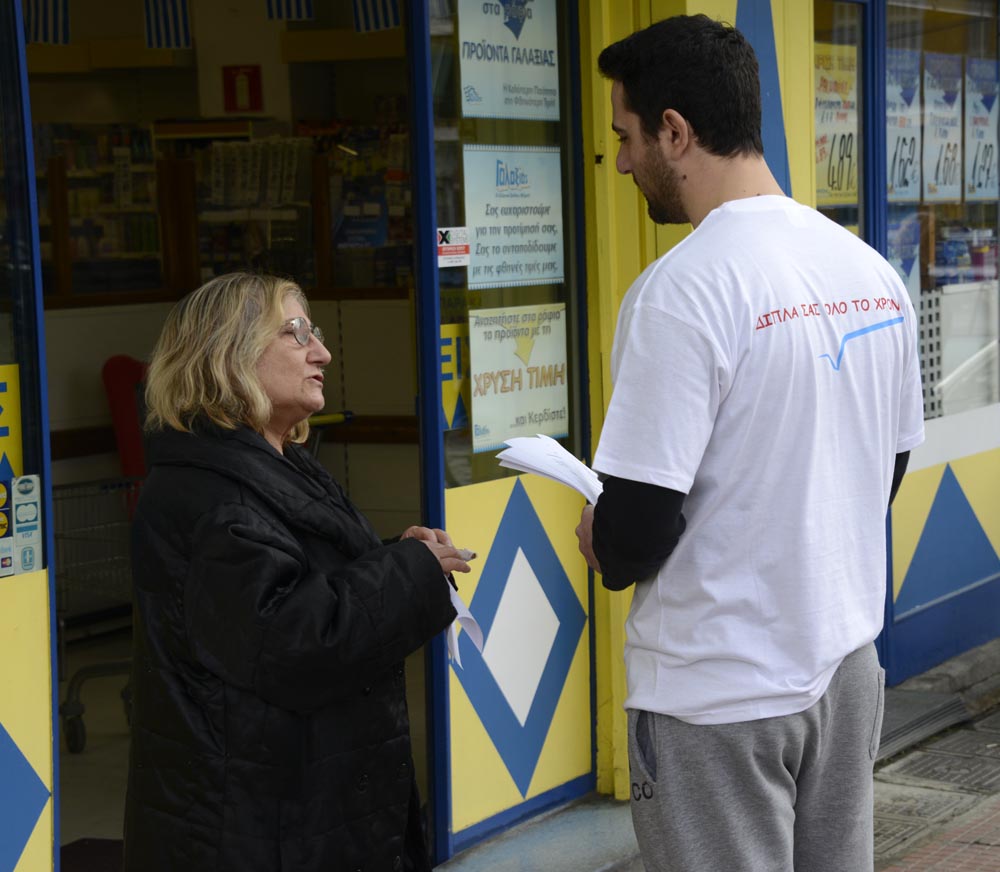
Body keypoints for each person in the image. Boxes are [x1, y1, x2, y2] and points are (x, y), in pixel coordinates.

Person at [575, 15, 925, 872]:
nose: (620, 162)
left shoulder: (681, 291)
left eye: (625, 136)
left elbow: (638, 525)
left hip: (716, 693)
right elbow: (887, 467)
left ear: (675, 131)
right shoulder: (869, 271)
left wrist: (600, 537)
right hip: (844, 669)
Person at [123, 272, 469, 872]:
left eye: (315, 332)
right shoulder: (211, 495)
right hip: (254, 830)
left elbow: (306, 583)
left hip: (296, 814)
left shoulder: (271, 462)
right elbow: (291, 644)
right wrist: (405, 574)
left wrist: (398, 556)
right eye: (296, 333)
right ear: (228, 354)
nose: (323, 352)